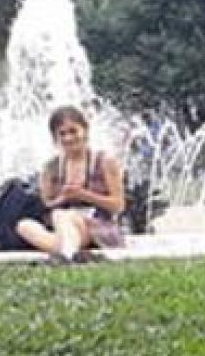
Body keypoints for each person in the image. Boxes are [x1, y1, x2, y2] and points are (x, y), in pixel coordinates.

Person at [17, 106, 127, 264]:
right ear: (55, 137)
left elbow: (118, 206)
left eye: (73, 131)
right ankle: (70, 250)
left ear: (85, 131)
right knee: (24, 225)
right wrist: (63, 198)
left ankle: (66, 256)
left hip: (97, 226)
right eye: (62, 133)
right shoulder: (51, 167)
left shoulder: (104, 162)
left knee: (62, 215)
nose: (68, 138)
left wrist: (83, 195)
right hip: (62, 227)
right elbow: (47, 203)